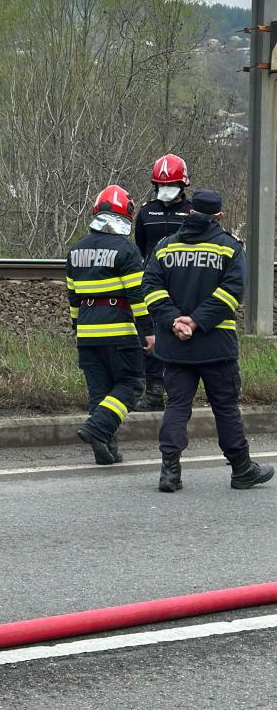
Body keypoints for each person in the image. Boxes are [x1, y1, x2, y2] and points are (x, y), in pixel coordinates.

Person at [142, 188, 274, 494]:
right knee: (225, 408)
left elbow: (150, 287)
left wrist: (175, 320)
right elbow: (231, 293)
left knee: (176, 406)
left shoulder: (164, 247)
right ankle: (241, 469)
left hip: (175, 346)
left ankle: (170, 472)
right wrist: (197, 321)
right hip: (216, 346)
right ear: (219, 216)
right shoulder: (229, 248)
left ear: (190, 213)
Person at [66, 186, 152, 466]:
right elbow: (137, 298)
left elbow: (73, 299)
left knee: (100, 394)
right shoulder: (128, 251)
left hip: (87, 333)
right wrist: (148, 332)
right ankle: (96, 429)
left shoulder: (75, 251)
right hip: (120, 331)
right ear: (125, 215)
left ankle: (106, 449)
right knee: (131, 384)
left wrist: (78, 329)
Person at [134, 155, 192, 411]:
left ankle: (181, 390)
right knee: (152, 336)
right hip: (154, 283)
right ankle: (154, 391)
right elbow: (141, 246)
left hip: (184, 283)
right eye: (161, 185)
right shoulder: (146, 212)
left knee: (182, 333)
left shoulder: (192, 213)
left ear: (184, 184)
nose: (166, 191)